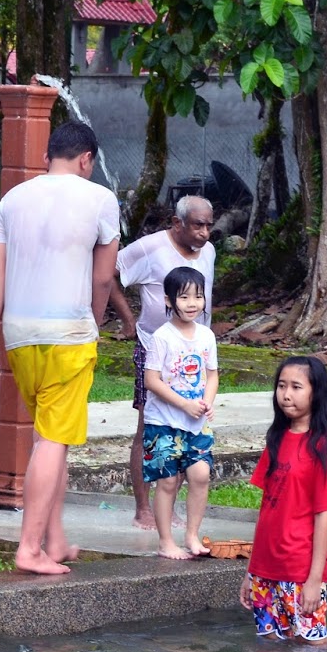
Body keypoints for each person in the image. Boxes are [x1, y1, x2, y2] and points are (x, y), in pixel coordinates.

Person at [0, 121, 119, 575]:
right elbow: (104, 277)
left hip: (18, 334)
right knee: (53, 439)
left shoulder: (12, 200)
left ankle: (55, 539)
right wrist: (95, 318)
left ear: (50, 154)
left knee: (47, 437)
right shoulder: (100, 199)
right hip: (68, 335)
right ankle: (29, 548)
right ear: (87, 159)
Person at [109, 196, 216, 530]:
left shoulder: (209, 251)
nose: (205, 233)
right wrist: (128, 321)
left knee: (186, 425)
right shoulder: (150, 248)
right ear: (176, 223)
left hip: (195, 353)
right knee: (151, 427)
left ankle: (169, 504)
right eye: (197, 225)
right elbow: (109, 273)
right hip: (155, 350)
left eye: (209, 225)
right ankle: (143, 507)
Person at [239, 357, 327, 646]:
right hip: (265, 566)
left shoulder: (323, 448)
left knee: (312, 648)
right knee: (268, 648)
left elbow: (324, 516)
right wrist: (251, 571)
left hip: (299, 567)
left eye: (297, 387)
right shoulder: (276, 439)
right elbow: (266, 509)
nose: (286, 394)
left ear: (316, 393)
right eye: (282, 386)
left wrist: (314, 580)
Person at [141, 267, 219, 560]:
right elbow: (152, 380)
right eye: (184, 297)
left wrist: (207, 401)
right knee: (168, 481)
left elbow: (212, 375)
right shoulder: (162, 337)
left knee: (200, 475)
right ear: (168, 300)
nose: (192, 303)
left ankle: (191, 535)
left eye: (198, 297)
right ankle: (165, 541)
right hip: (162, 422)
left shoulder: (206, 336)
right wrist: (183, 404)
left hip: (196, 423)